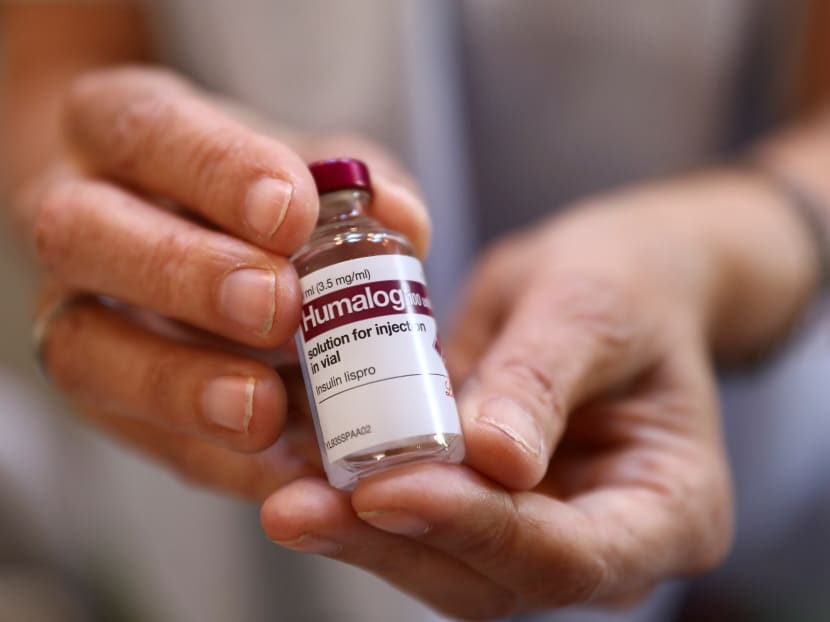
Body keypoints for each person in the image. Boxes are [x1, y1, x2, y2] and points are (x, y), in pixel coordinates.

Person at [1, 1, 828, 620]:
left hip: (714, 440)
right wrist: (91, 187)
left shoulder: (376, 244)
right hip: (225, 485)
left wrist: (713, 252)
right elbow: (52, 56)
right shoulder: (340, 251)